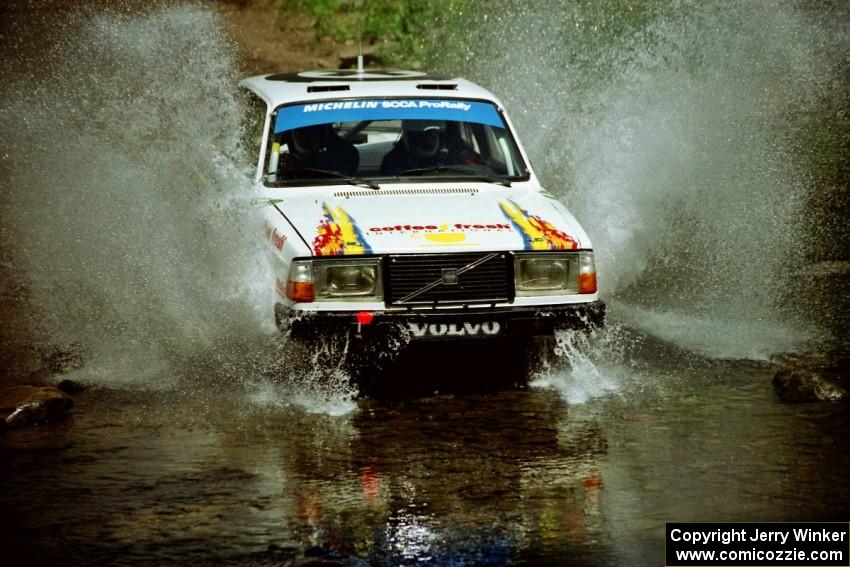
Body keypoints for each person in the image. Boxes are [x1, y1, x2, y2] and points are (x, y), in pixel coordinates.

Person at [381, 120, 481, 175]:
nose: (428, 140)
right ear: (409, 137)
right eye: (420, 136)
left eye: (432, 134)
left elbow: (482, 172)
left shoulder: (458, 158)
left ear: (440, 137)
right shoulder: (393, 161)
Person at [280, 124, 359, 177]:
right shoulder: (279, 161)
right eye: (301, 131)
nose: (306, 137)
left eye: (311, 132)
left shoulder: (345, 154)